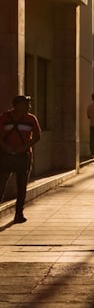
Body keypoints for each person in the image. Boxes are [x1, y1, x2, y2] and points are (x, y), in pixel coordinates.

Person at [0, 95, 42, 224]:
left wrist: (24, 147)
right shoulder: (5, 117)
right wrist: (5, 147)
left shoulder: (31, 119)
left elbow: (37, 136)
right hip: (6, 155)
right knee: (1, 183)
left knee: (22, 186)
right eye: (26, 104)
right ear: (17, 105)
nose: (29, 107)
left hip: (23, 156)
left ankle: (19, 213)